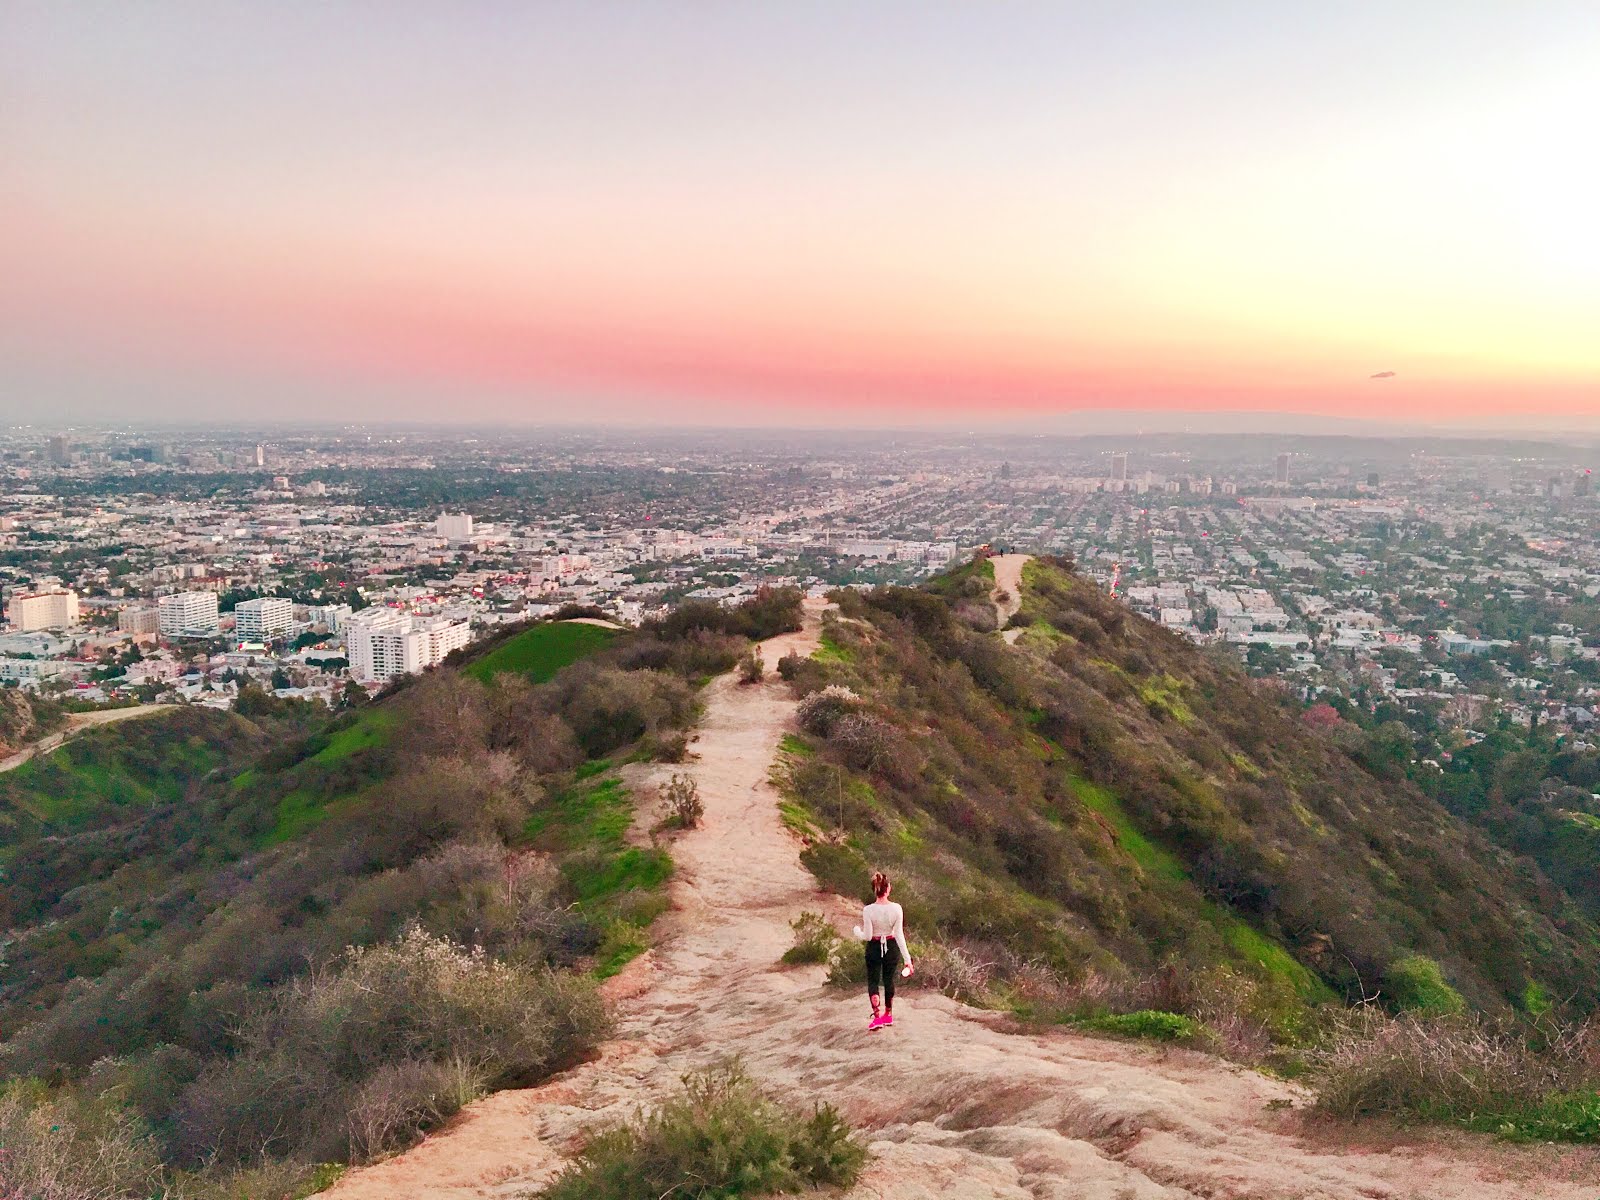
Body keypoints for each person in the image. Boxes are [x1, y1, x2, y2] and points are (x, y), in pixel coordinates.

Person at [858, 871, 912, 1030]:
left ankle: (877, 1016)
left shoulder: (868, 910)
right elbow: (899, 935)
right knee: (889, 980)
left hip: (874, 947)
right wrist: (907, 960)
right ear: (888, 889)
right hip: (891, 945)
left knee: (873, 981)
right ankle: (888, 1014)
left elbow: (868, 936)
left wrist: (857, 932)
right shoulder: (896, 908)